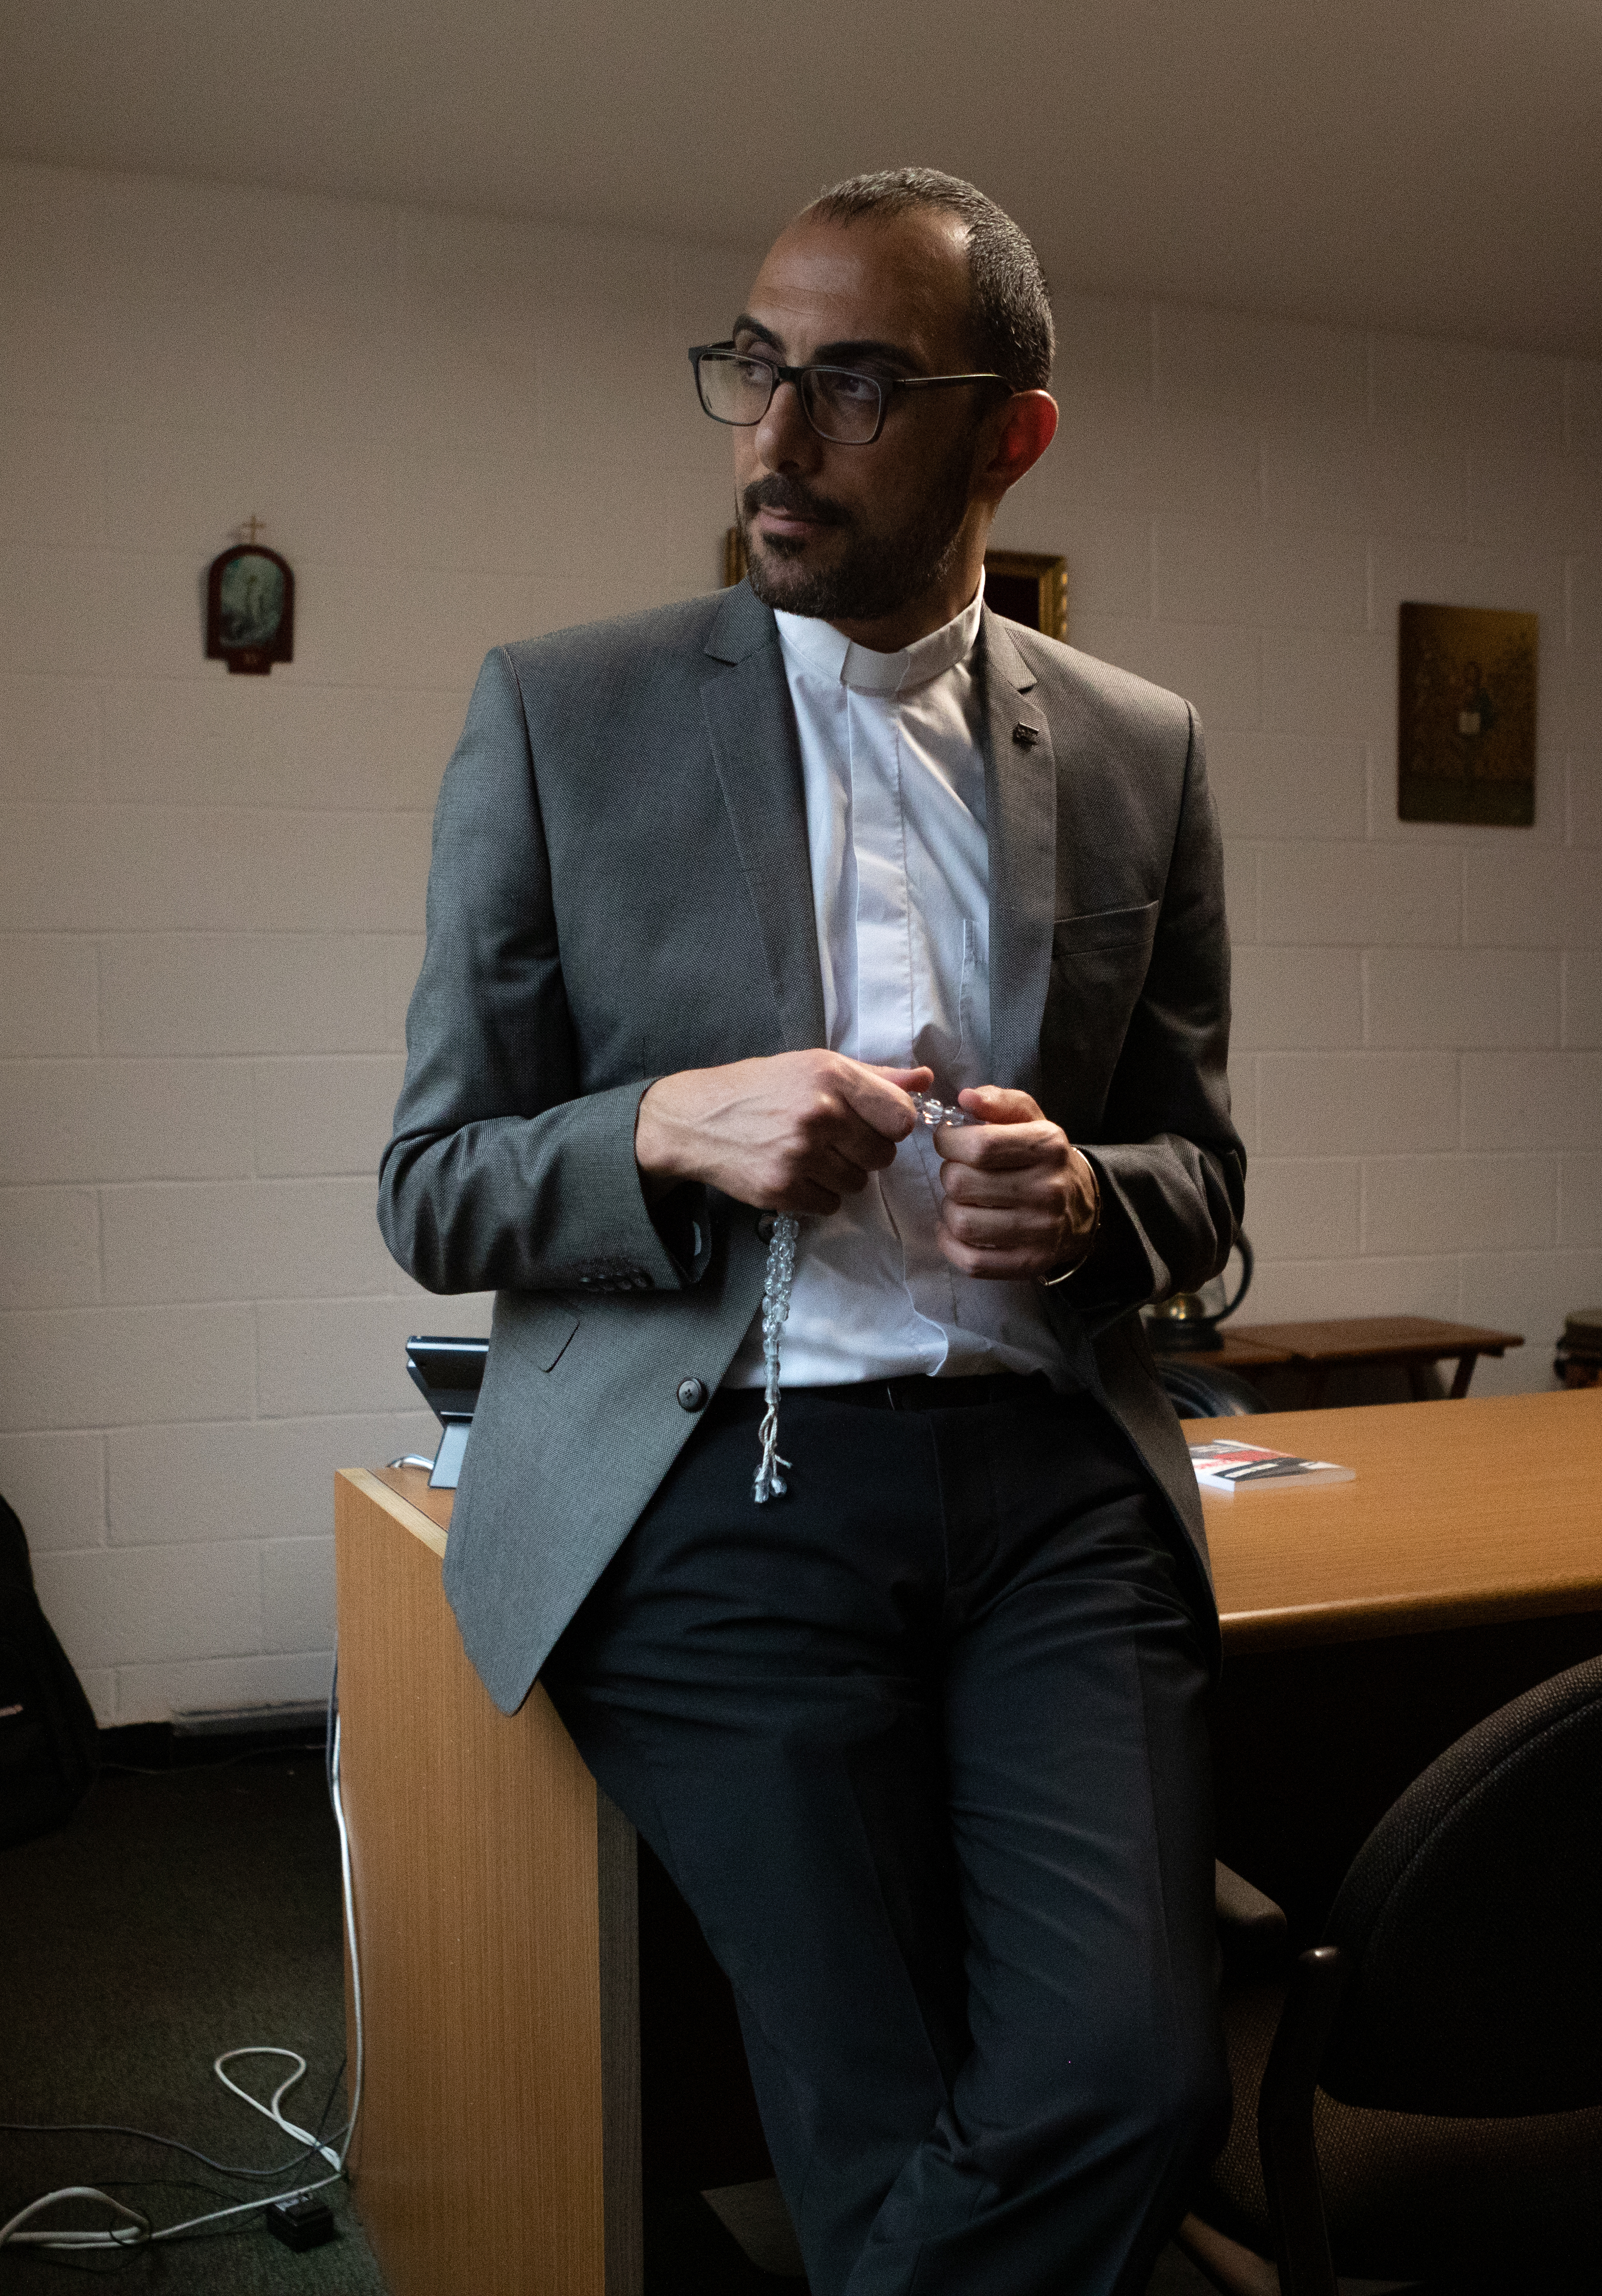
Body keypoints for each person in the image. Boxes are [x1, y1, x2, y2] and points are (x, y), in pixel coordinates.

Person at [380, 166, 1242, 2296]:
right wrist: (666, 1125)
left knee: (1134, 2083)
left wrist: (1093, 1202)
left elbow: (1205, 1187)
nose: (773, 435)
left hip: (1054, 1495)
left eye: (852, 384)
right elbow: (431, 1185)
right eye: (755, 368)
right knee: (876, 2119)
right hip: (709, 1493)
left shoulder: (1140, 753)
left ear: (1006, 432)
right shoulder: (558, 714)